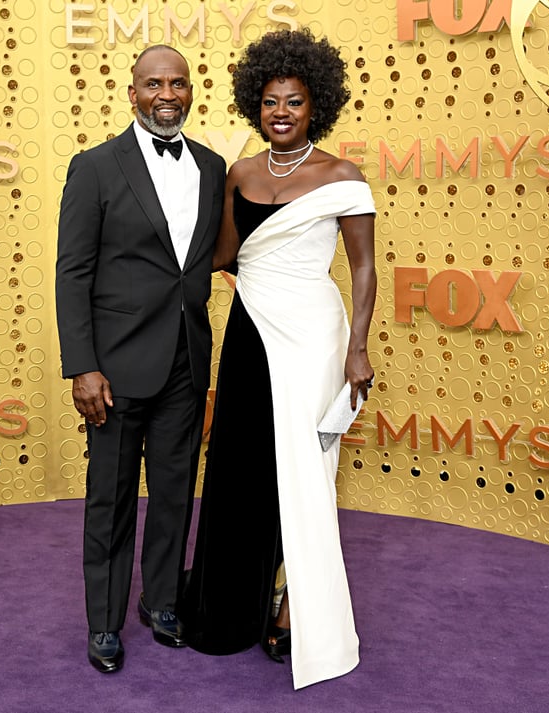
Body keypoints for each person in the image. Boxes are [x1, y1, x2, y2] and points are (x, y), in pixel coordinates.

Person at [182, 29, 377, 689]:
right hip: (250, 330)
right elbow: (225, 255)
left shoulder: (343, 176)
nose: (282, 112)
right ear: (254, 106)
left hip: (316, 336)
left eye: (294, 100)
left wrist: (357, 349)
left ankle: (297, 603)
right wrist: (158, 251)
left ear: (314, 104)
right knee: (239, 464)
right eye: (270, 102)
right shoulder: (242, 173)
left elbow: (364, 269)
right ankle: (231, 604)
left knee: (309, 469)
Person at [55, 45, 226, 674]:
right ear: (132, 93)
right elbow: (72, 273)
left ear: (191, 91)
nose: (167, 95)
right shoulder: (95, 167)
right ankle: (104, 622)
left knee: (177, 494)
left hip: (186, 360)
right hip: (116, 368)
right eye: (154, 84)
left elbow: (217, 257)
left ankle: (161, 602)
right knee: (112, 499)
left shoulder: (213, 167)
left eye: (178, 84)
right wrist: (82, 365)